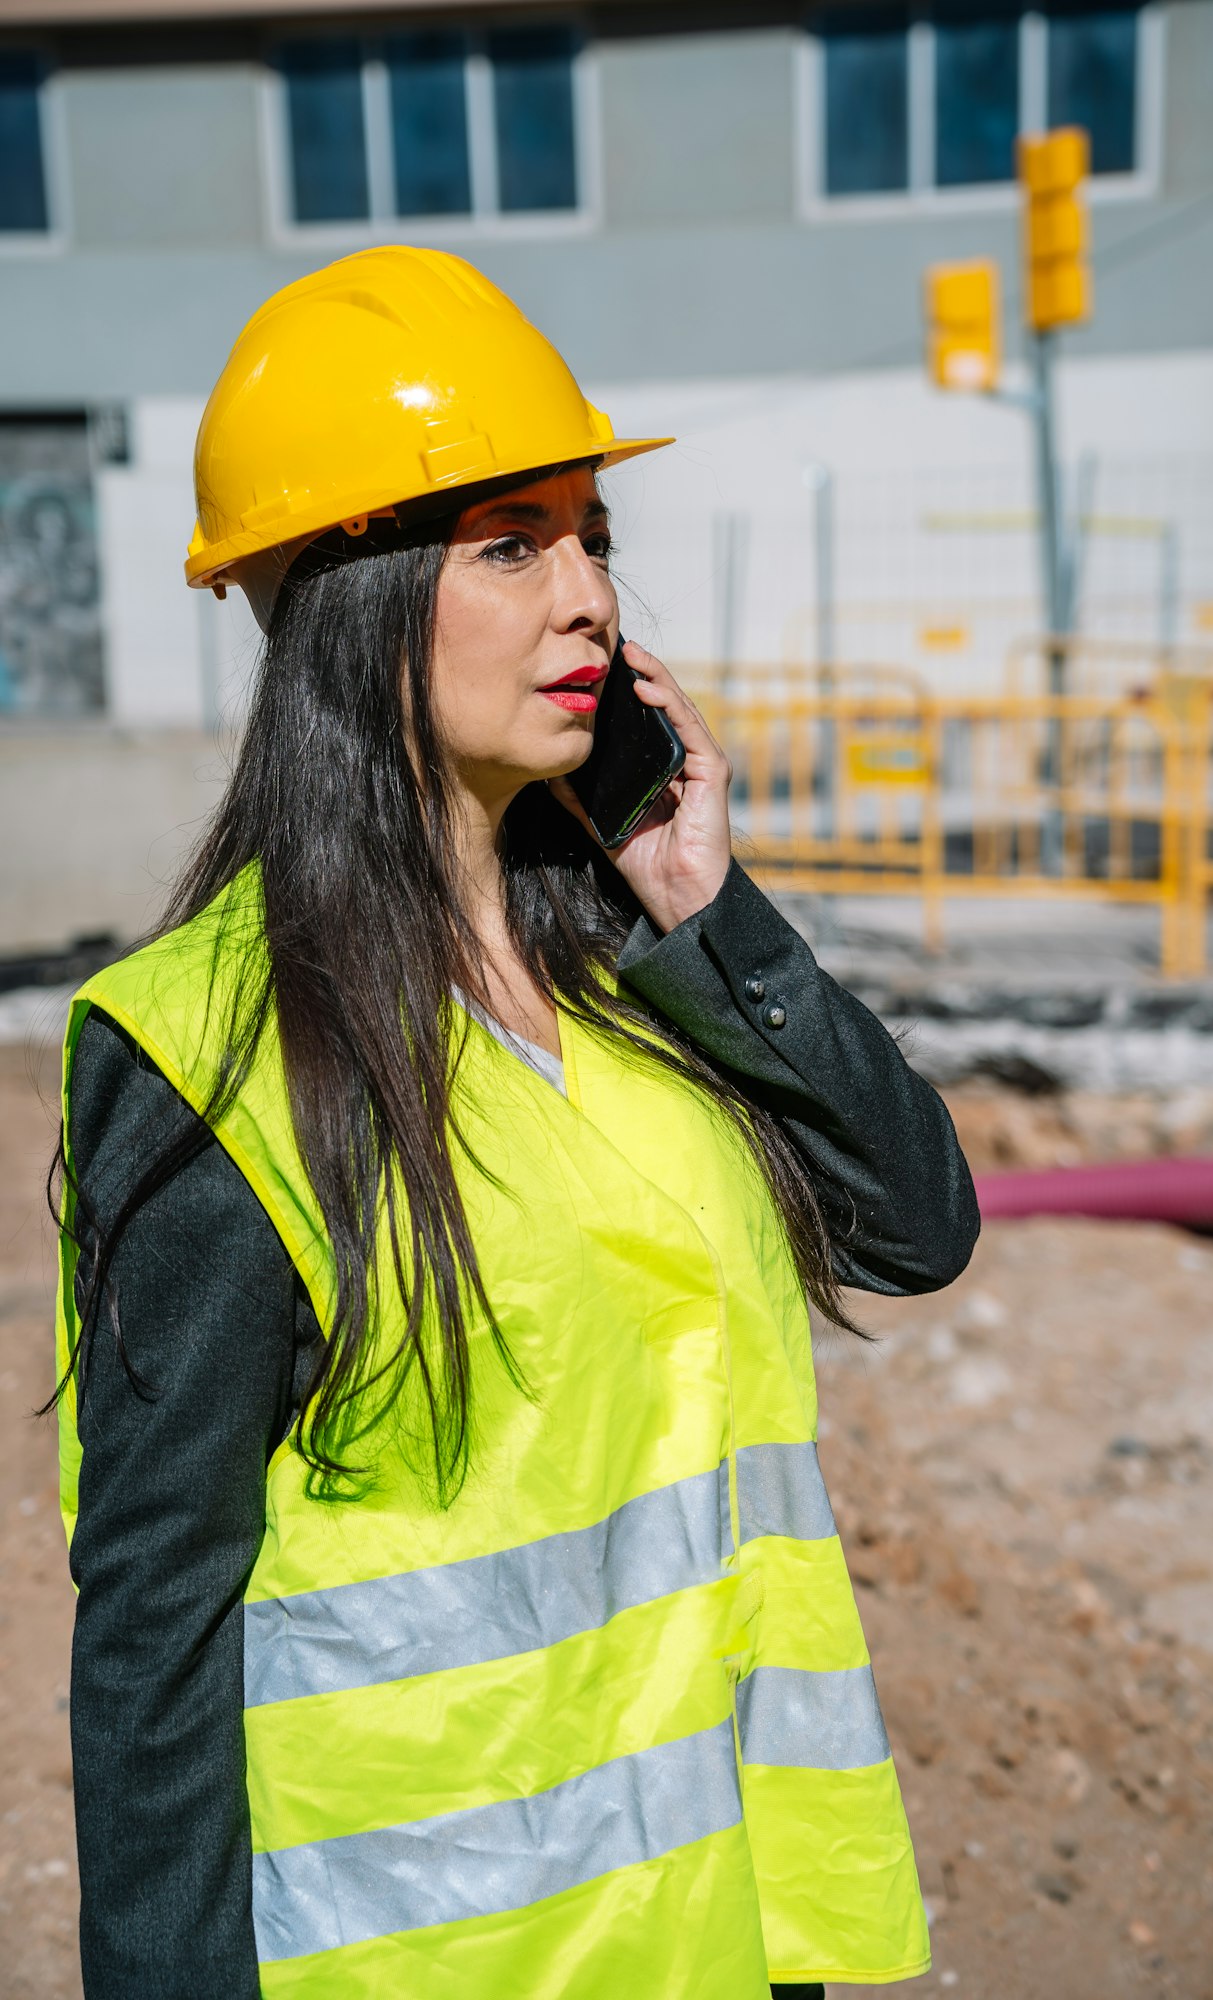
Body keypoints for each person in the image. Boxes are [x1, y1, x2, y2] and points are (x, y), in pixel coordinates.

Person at [52, 246, 979, 2000]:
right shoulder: (211, 1048)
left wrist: (708, 905)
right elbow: (155, 1625)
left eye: (591, 537)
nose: (590, 602)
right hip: (440, 1958)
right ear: (350, 596)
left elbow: (917, 1225)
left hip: (716, 1922)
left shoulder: (644, 980)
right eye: (508, 542)